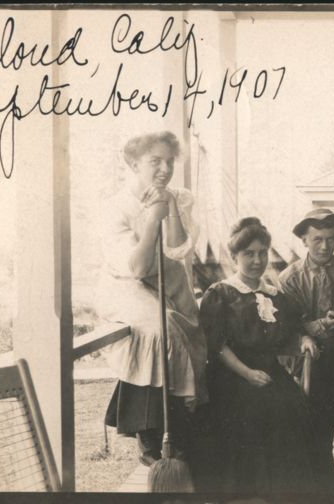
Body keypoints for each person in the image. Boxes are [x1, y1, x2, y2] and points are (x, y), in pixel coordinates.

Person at [97, 131, 207, 468]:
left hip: (170, 282)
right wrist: (153, 219)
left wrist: (169, 206)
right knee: (162, 331)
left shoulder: (180, 198)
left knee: (190, 331)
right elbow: (138, 267)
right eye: (154, 161)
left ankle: (183, 431)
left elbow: (177, 249)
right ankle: (149, 432)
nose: (164, 169)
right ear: (134, 164)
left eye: (169, 161)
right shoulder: (115, 207)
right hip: (127, 285)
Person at [198, 217, 324, 494]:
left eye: (262, 253)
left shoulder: (275, 295)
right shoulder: (220, 294)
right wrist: (247, 373)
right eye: (249, 254)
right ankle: (249, 491)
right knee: (253, 410)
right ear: (234, 257)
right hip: (231, 374)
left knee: (292, 409)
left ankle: (285, 492)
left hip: (269, 371)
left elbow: (291, 330)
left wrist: (303, 339)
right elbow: (217, 346)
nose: (257, 261)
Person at [278, 208, 334, 493]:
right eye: (317, 239)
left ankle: (322, 459)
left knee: (332, 349)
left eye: (331, 239)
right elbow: (289, 330)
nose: (325, 246)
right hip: (305, 357)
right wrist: (318, 327)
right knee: (324, 353)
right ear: (304, 240)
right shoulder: (290, 278)